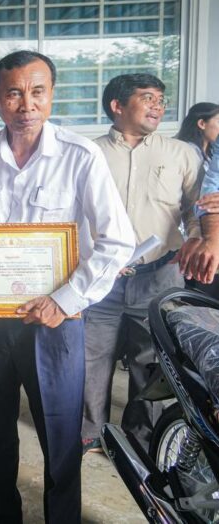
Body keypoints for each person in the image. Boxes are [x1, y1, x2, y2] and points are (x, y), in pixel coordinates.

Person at [0, 51, 134, 524]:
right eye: (13, 93)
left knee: (59, 434)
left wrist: (64, 300)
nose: (26, 105)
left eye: (37, 92)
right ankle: (0, 515)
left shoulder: (79, 155)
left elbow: (118, 241)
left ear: (52, 95)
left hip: (55, 323)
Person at [82, 74, 201, 455]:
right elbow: (73, 214)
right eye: (147, 98)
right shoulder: (89, 153)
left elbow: (196, 210)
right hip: (101, 276)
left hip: (160, 274)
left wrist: (196, 239)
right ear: (117, 106)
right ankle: (90, 433)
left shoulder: (181, 153)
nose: (158, 106)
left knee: (151, 360)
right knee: (90, 356)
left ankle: (140, 438)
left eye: (161, 100)